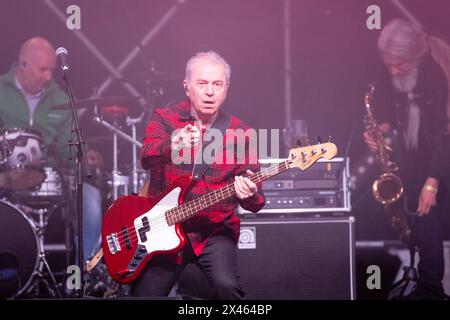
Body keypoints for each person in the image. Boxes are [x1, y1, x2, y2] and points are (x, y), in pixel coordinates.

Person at [135, 50, 265, 299]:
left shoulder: (242, 133)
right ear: (187, 87)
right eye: (202, 83)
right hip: (165, 229)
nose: (210, 91)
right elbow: (146, 157)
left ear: (226, 89)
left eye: (217, 84)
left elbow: (257, 201)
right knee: (145, 294)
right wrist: (171, 146)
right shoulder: (165, 119)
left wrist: (249, 194)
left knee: (227, 287)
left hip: (214, 233)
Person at [364, 19, 449, 299]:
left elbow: (441, 133)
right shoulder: (391, 70)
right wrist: (382, 129)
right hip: (413, 154)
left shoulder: (435, 74)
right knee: (418, 218)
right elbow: (389, 106)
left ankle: (431, 287)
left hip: (439, 152)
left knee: (429, 215)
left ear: (415, 56)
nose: (393, 70)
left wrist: (432, 182)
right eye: (389, 64)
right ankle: (424, 281)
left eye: (399, 64)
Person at [0, 37, 103, 270]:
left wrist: (83, 156)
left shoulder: (61, 99)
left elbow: (68, 149)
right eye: (43, 69)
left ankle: (82, 275)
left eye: (52, 70)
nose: (48, 76)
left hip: (50, 178)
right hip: (4, 175)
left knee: (91, 201)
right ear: (23, 64)